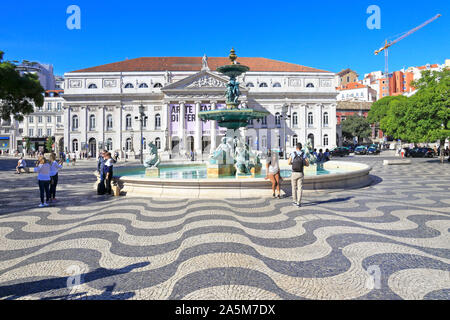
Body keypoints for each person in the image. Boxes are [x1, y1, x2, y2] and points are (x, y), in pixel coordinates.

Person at [288, 143, 309, 207]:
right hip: (300, 173)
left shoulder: (293, 153)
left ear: (296, 147)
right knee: (300, 188)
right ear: (301, 148)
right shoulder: (303, 154)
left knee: (294, 188)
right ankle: (298, 202)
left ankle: (294, 201)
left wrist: (293, 163)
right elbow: (307, 164)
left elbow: (288, 163)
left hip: (294, 173)